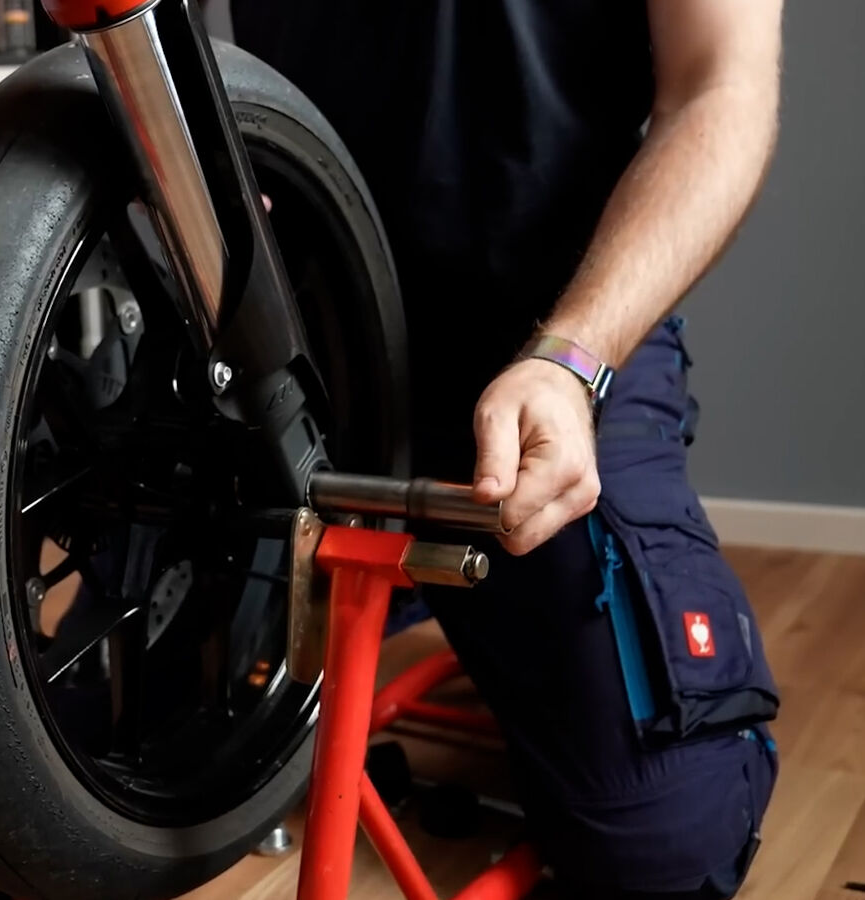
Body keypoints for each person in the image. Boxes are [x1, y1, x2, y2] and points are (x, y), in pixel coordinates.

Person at [229, 1, 785, 897]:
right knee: (69, 762)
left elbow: (720, 86)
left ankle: (519, 631)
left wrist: (572, 358)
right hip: (295, 338)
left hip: (555, 339)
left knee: (665, 852)